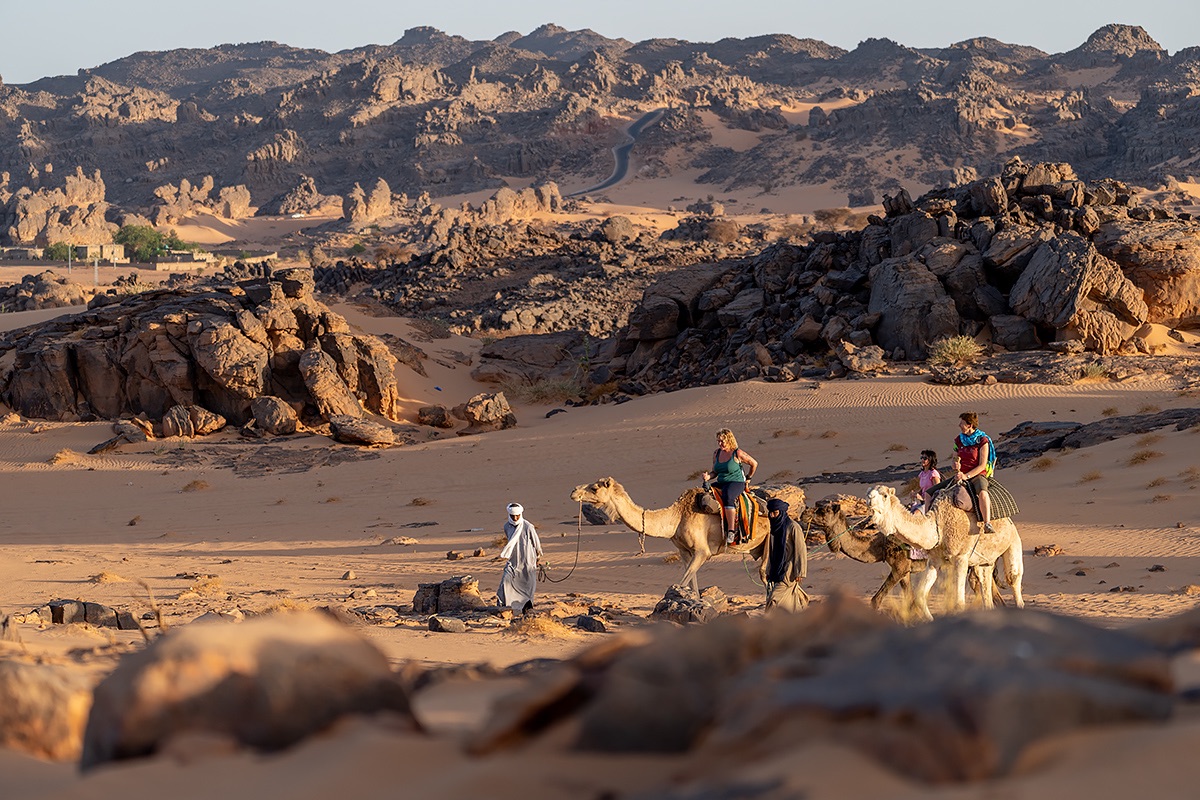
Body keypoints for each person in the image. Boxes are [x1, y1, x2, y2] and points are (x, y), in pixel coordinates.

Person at [928, 412, 998, 532]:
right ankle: (928, 522)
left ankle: (987, 523)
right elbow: (955, 457)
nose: (959, 425)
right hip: (960, 474)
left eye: (962, 423)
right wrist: (955, 464)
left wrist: (967, 476)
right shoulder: (959, 440)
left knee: (982, 493)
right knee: (929, 493)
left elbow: (982, 465)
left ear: (970, 425)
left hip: (976, 475)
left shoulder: (982, 441)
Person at [702, 428, 758, 545]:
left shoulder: (737, 453)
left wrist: (748, 478)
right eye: (718, 441)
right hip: (722, 481)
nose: (720, 444)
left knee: (728, 496)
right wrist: (708, 477)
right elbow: (715, 472)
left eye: (722, 441)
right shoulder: (716, 453)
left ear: (729, 440)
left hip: (736, 482)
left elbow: (754, 463)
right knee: (704, 494)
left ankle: (731, 531)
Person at [759, 498, 809, 611]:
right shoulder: (774, 529)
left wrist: (800, 572)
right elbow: (772, 551)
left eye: (775, 513)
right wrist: (768, 570)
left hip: (789, 570)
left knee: (773, 599)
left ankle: (767, 623)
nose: (772, 516)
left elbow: (800, 550)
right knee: (790, 597)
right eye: (770, 513)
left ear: (781, 512)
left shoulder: (793, 527)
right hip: (776, 570)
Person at [498, 502, 543, 613]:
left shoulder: (528, 526)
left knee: (528, 585)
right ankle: (505, 606)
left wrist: (538, 557)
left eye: (517, 515)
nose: (515, 518)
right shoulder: (506, 526)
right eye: (513, 516)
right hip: (513, 561)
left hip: (528, 560)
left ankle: (526, 608)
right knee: (506, 581)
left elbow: (536, 543)